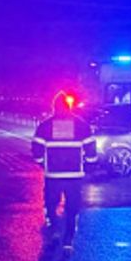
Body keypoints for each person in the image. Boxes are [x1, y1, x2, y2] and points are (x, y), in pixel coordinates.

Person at [32, 91, 99, 248]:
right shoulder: (81, 125)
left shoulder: (45, 126)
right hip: (74, 175)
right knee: (72, 205)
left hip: (53, 175)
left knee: (51, 202)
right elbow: (91, 148)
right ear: (69, 107)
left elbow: (36, 150)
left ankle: (54, 228)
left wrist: (42, 163)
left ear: (54, 107)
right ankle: (69, 235)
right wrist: (89, 164)